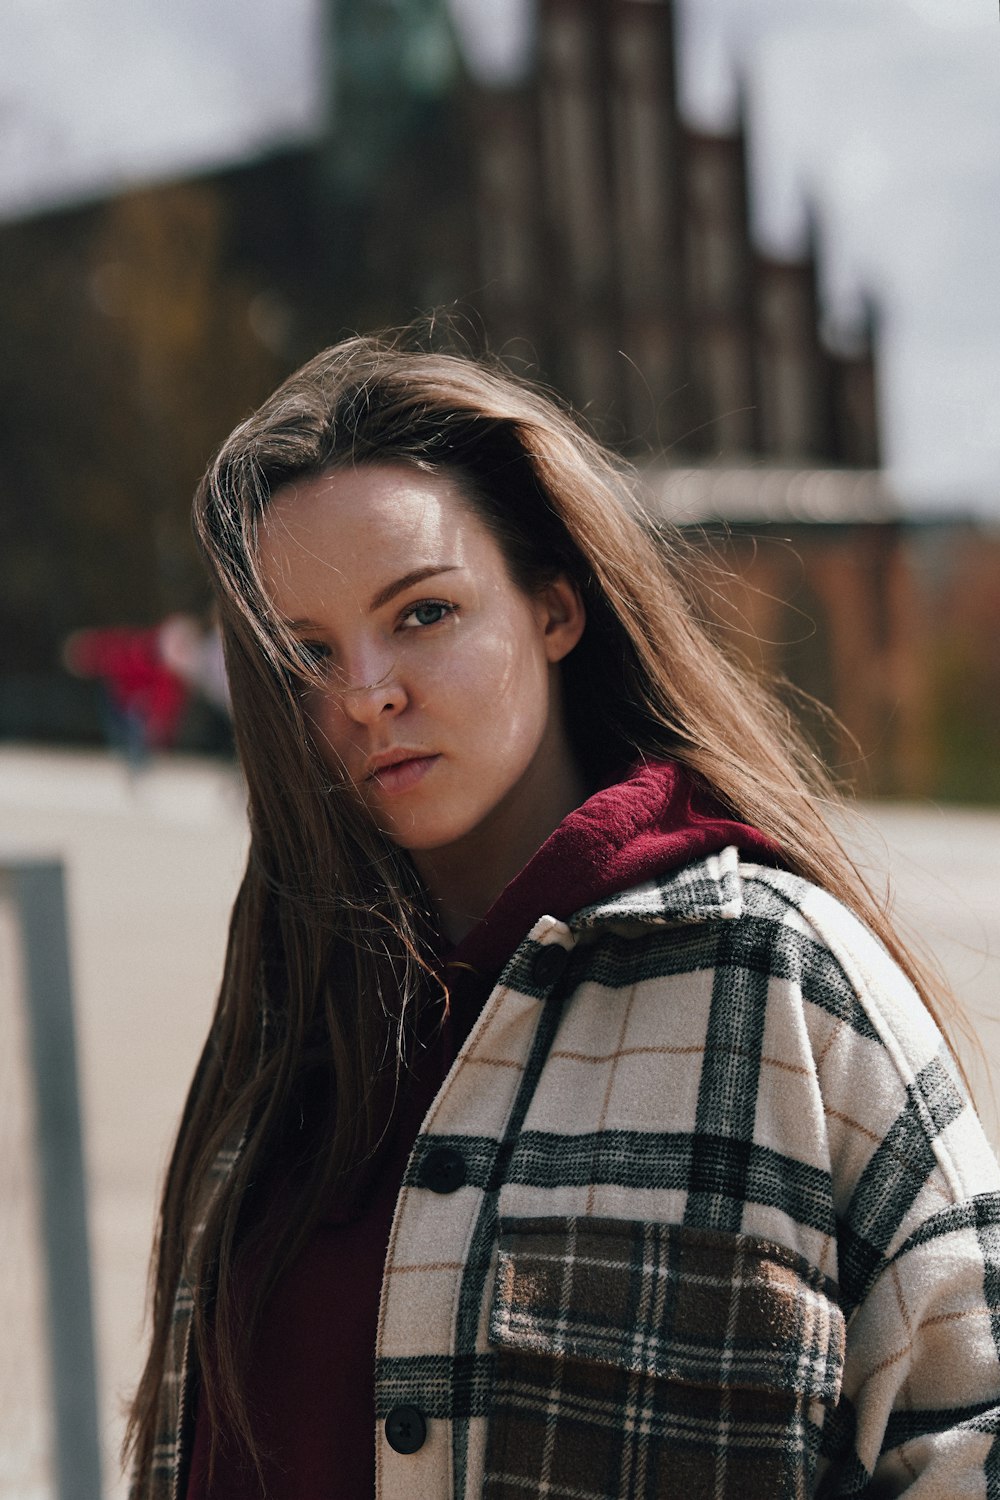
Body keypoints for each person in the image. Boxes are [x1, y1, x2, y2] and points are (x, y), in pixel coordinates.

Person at [126, 335, 1000, 1500]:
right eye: (306, 655)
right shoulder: (297, 1013)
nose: (366, 693)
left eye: (424, 613)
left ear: (554, 607)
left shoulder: (766, 973)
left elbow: (969, 1439)